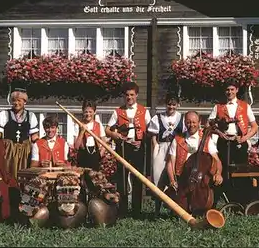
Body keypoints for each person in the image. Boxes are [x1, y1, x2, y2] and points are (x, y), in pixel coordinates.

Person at [105, 81, 151, 218]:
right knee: (122, 179)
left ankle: (137, 211)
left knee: (137, 179)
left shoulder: (144, 111)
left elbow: (149, 131)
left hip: (138, 148)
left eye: (132, 95)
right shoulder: (118, 111)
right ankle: (123, 211)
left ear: (136, 95)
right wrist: (116, 135)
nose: (129, 97)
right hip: (123, 148)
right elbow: (107, 130)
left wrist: (142, 140)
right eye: (127, 95)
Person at [166, 111, 223, 213]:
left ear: (199, 122)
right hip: (182, 179)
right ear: (184, 122)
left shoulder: (206, 139)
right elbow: (170, 163)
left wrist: (218, 173)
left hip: (201, 180)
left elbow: (217, 160)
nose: (191, 125)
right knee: (179, 211)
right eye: (188, 122)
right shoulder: (177, 139)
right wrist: (172, 180)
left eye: (194, 122)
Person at [208, 78, 258, 178]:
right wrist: (219, 133)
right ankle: (224, 192)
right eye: (227, 90)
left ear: (237, 90)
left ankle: (240, 193)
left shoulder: (245, 106)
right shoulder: (218, 107)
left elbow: (255, 127)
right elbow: (208, 125)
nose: (229, 92)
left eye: (232, 89)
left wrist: (244, 138)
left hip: (239, 142)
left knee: (241, 171)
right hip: (223, 143)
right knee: (224, 170)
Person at [147, 94, 184, 216]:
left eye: (174, 104)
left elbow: (184, 136)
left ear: (177, 105)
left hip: (176, 149)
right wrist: (156, 150)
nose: (171, 107)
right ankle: (157, 209)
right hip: (162, 148)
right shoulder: (158, 117)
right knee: (158, 179)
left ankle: (174, 209)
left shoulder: (181, 118)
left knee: (175, 177)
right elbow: (153, 137)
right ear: (165, 104)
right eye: (169, 104)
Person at [0, 89, 41, 179]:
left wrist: (43, 145)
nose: (16, 103)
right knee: (8, 174)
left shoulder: (30, 116)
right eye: (14, 100)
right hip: (8, 151)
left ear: (24, 102)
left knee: (23, 174)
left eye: (19, 100)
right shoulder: (4, 115)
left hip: (25, 152)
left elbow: (34, 137)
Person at [73, 100, 106, 170]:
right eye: (86, 112)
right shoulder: (78, 125)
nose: (88, 114)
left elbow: (104, 144)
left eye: (90, 112)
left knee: (95, 179)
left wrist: (100, 155)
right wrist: (82, 132)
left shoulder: (99, 125)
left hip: (95, 156)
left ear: (95, 112)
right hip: (82, 156)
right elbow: (76, 147)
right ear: (83, 112)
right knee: (83, 179)